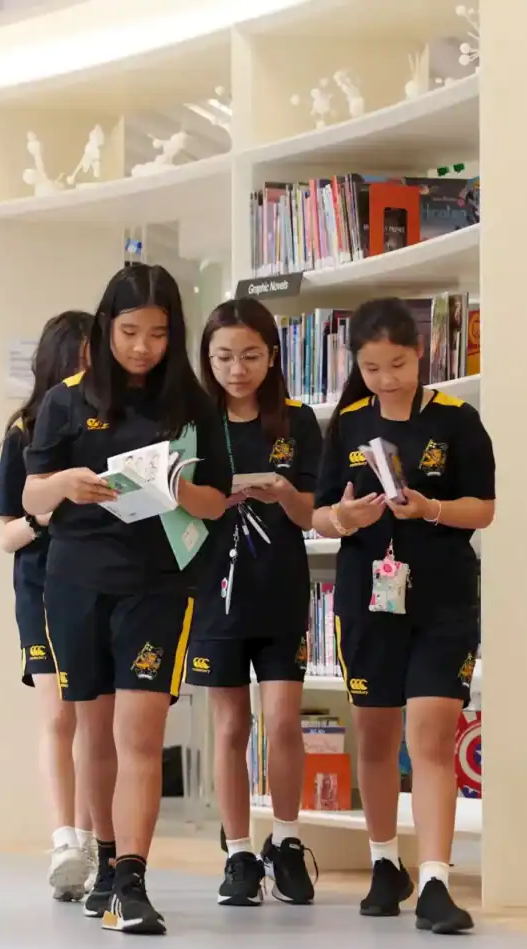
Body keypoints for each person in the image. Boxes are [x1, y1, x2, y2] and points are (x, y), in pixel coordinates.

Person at [22, 264, 231, 935]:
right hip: (76, 581)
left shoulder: (192, 405)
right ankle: (106, 858)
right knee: (94, 731)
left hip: (159, 583)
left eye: (158, 333)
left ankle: (134, 880)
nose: (143, 347)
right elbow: (30, 497)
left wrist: (175, 487)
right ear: (106, 326)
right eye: (130, 331)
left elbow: (216, 500)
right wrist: (67, 485)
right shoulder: (64, 402)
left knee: (140, 733)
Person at [311, 297, 495, 935]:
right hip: (368, 597)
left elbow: (485, 509)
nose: (386, 378)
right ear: (356, 366)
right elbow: (317, 514)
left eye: (398, 364)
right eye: (372, 367)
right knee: (379, 736)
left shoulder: (457, 419)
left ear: (421, 354)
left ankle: (438, 880)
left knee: (432, 732)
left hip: (443, 598)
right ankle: (385, 863)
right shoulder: (347, 424)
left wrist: (431, 509)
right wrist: (344, 519)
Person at [186, 299, 322, 907]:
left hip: (282, 588)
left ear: (272, 356)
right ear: (206, 359)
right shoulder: (192, 423)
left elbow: (311, 514)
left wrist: (285, 490)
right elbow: (175, 503)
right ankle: (240, 852)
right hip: (214, 590)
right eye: (222, 357)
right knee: (231, 724)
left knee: (284, 720)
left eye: (249, 356)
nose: (236, 369)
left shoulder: (297, 421)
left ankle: (287, 842)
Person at [0, 310, 97, 901]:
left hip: (101, 585)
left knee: (94, 717)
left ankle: (88, 840)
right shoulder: (24, 431)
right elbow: (6, 534)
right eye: (85, 358)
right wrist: (43, 516)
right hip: (41, 588)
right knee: (60, 716)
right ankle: (63, 840)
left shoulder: (113, 425)